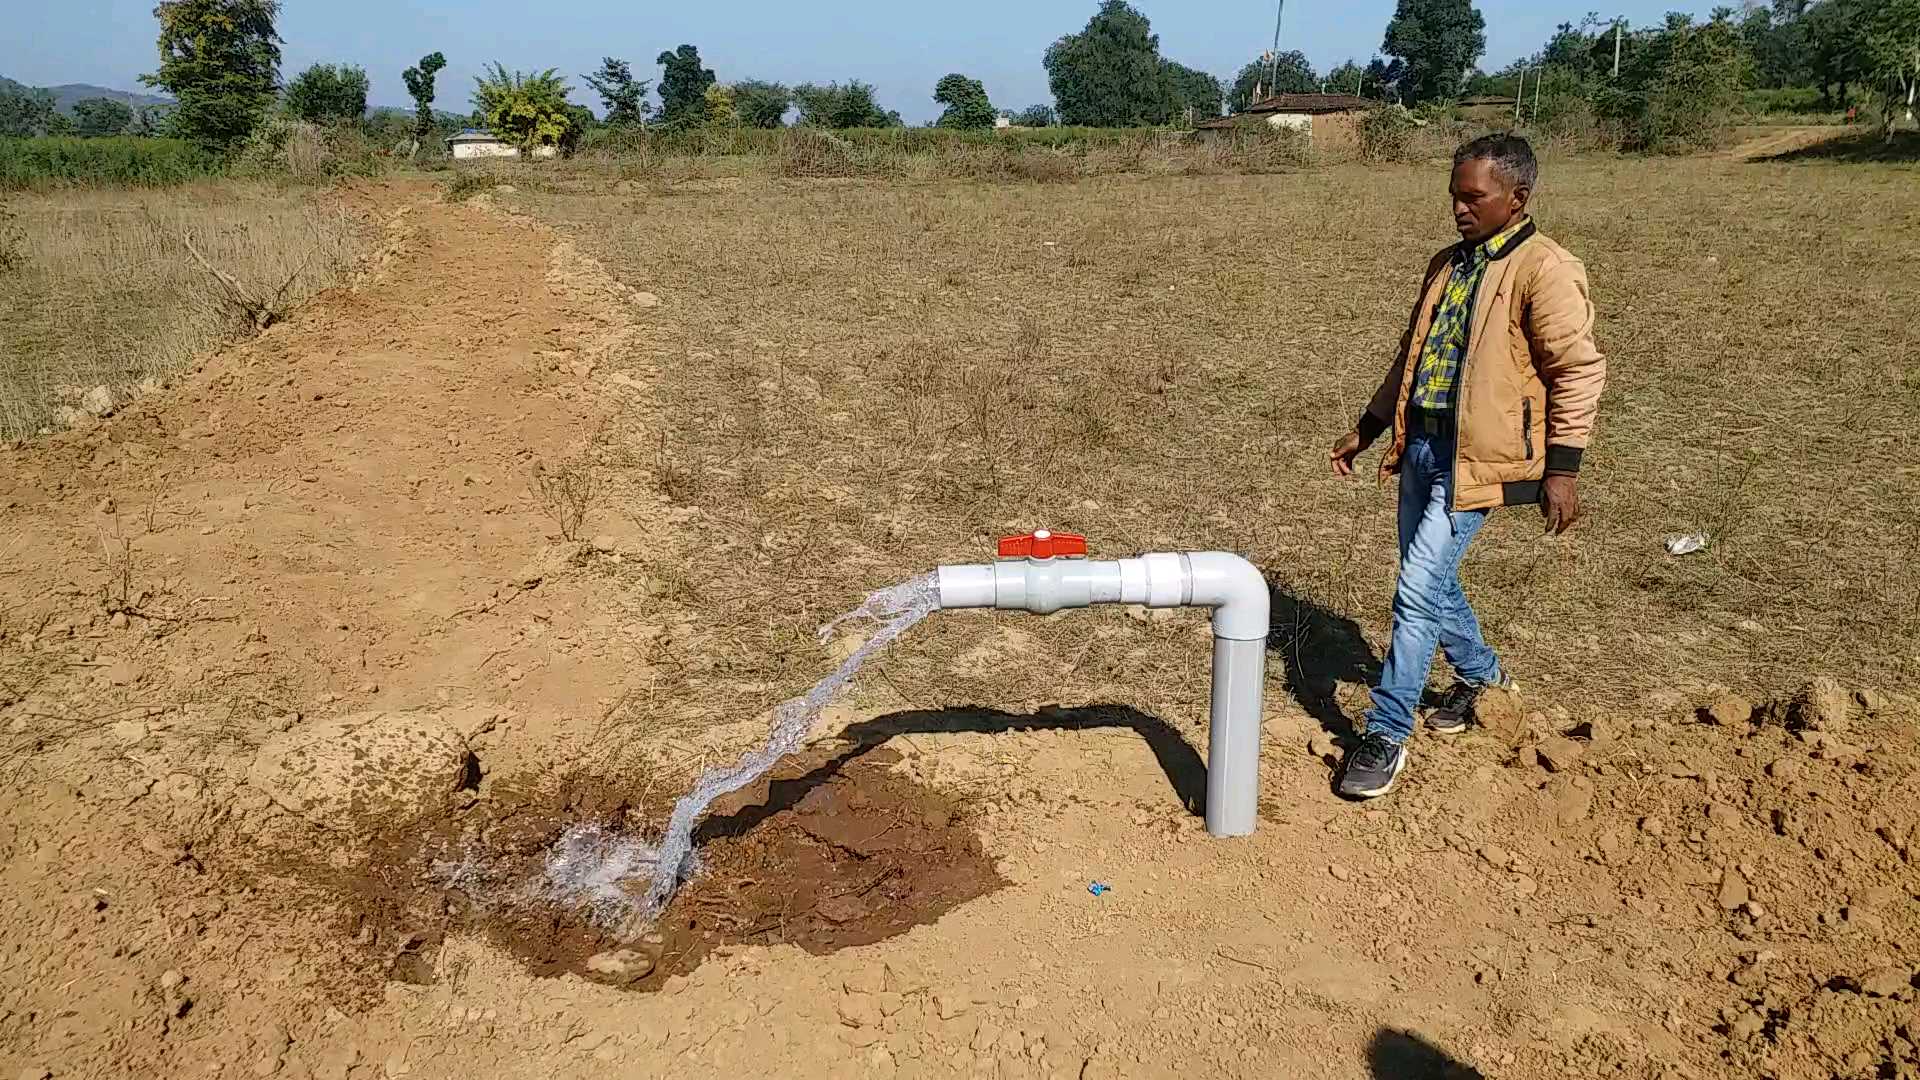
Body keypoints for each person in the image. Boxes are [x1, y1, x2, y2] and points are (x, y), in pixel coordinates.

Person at [1327, 133, 1606, 799]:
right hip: (1420, 445)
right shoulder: (1447, 265)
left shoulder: (1545, 268)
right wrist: (1367, 427)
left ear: (1518, 197)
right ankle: (1484, 679)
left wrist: (1562, 470)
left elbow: (1578, 371)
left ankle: (1386, 733)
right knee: (1434, 581)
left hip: (1478, 460)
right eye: (1454, 195)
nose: (1459, 208)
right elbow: (1412, 356)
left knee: (1418, 588)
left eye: (1473, 197)